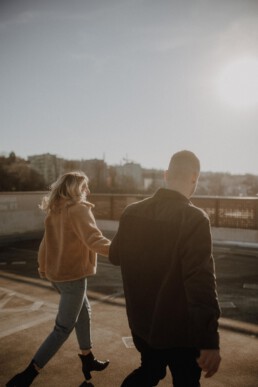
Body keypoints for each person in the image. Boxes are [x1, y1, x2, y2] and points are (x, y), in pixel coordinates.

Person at [109, 150, 221, 387]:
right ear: (194, 178)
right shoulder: (194, 219)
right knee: (186, 381)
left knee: (149, 371)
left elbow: (114, 255)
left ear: (166, 174)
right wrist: (209, 340)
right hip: (180, 333)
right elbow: (200, 283)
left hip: (142, 326)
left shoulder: (131, 213)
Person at [6, 171, 111, 387]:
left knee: (84, 313)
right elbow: (94, 239)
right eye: (85, 187)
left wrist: (44, 269)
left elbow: (45, 245)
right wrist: (121, 250)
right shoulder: (79, 209)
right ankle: (29, 374)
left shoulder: (55, 211)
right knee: (63, 328)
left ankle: (87, 358)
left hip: (58, 276)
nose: (88, 191)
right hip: (73, 276)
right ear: (75, 189)